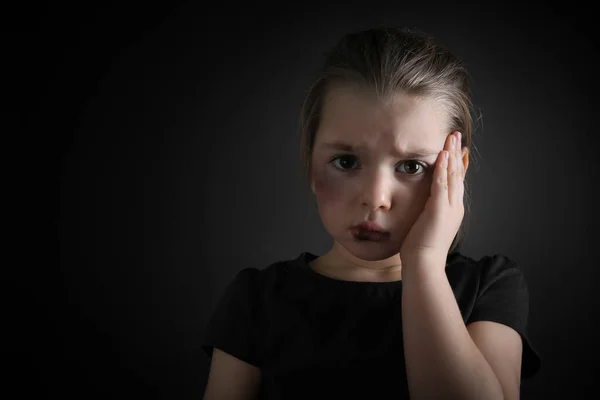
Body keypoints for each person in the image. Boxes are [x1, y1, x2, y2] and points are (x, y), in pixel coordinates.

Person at [201, 26, 541, 399]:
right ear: (310, 161)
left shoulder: (490, 288)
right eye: (345, 161)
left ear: (454, 171)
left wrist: (423, 262)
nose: (375, 198)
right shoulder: (257, 300)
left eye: (411, 167)